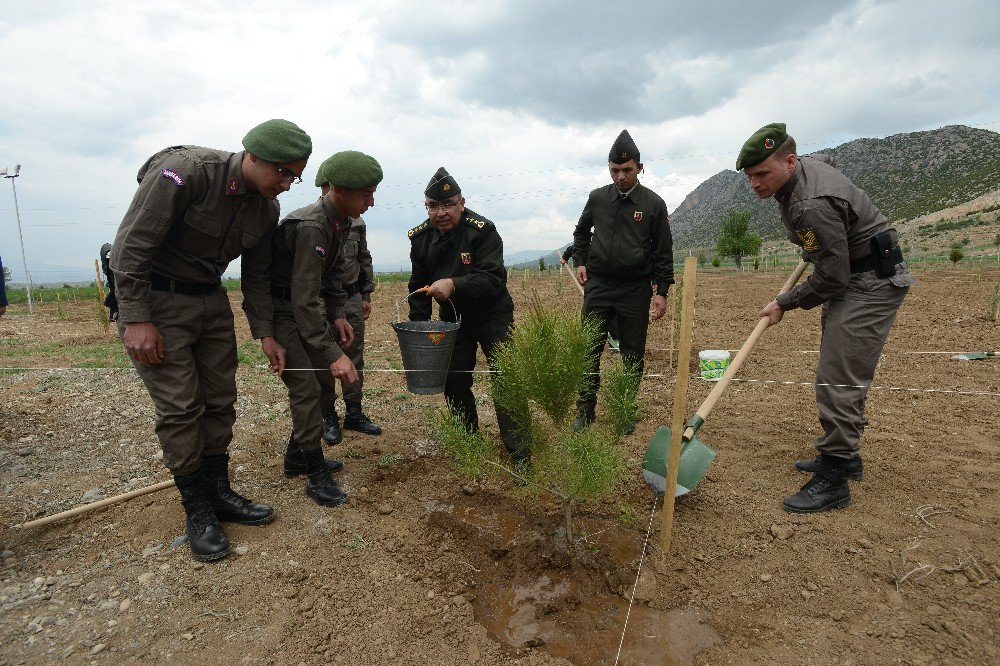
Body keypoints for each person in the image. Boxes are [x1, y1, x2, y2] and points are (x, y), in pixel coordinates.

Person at [110, 119, 312, 562]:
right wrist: (136, 318)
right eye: (282, 172)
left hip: (210, 301)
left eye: (295, 176)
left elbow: (257, 276)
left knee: (220, 398)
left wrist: (266, 333)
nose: (287, 183)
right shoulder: (187, 171)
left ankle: (219, 490)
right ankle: (197, 507)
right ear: (253, 156)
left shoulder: (266, 209)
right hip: (159, 303)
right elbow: (132, 244)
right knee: (181, 407)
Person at [737, 122, 915, 513]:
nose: (755, 184)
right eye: (750, 176)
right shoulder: (807, 172)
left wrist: (786, 301)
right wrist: (818, 242)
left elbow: (832, 278)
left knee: (838, 375)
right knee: (836, 368)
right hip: (854, 272)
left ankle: (835, 476)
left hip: (868, 281)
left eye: (762, 173)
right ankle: (846, 457)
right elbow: (829, 162)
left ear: (790, 160)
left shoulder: (810, 203)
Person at [269, 150, 383, 507]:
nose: (372, 201)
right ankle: (315, 474)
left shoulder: (342, 220)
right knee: (308, 387)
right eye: (365, 193)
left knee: (319, 386)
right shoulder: (312, 226)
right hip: (284, 312)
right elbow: (303, 299)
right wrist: (333, 352)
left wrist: (337, 314)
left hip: (307, 309)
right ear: (336, 190)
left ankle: (295, 457)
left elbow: (331, 276)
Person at [407, 167, 525, 460]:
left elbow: (493, 279)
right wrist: (419, 329)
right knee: (455, 381)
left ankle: (520, 451)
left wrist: (453, 284)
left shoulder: (482, 231)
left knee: (506, 379)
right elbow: (418, 285)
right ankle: (469, 443)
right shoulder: (421, 238)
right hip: (452, 320)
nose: (441, 213)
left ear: (462, 203)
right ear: (427, 207)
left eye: (448, 204)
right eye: (433, 206)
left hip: (492, 315)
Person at [572, 130, 674, 433]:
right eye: (614, 170)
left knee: (632, 353)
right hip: (599, 287)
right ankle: (585, 410)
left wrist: (662, 291)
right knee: (589, 349)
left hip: (635, 289)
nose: (620, 176)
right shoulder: (598, 198)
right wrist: (581, 261)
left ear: (639, 168)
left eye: (627, 170)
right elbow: (580, 233)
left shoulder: (654, 204)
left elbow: (663, 252)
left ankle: (624, 410)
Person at [314, 160, 382, 445]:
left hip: (351, 298)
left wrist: (365, 294)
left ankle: (354, 411)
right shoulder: (314, 222)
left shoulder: (357, 221)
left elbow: (363, 257)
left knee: (354, 356)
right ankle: (328, 415)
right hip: (319, 302)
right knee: (324, 360)